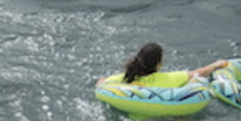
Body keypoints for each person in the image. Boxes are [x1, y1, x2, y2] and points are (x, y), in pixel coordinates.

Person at [96, 42, 229, 87]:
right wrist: (216, 65)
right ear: (158, 64)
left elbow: (100, 83)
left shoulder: (126, 78)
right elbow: (199, 73)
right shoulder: (170, 78)